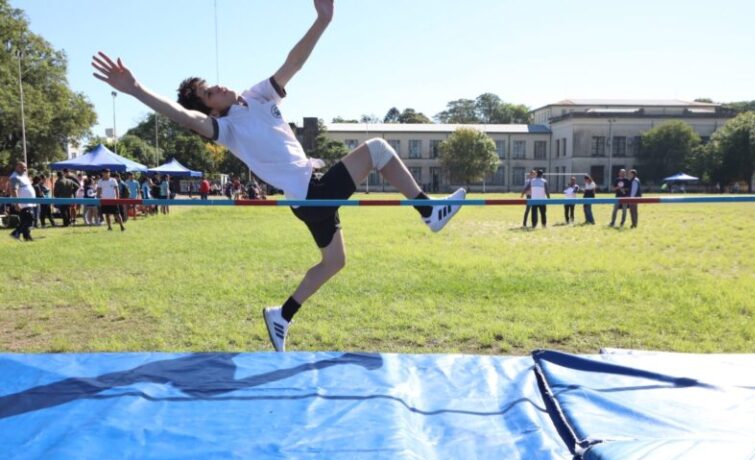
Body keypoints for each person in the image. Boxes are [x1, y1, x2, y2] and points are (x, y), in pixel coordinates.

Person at [92, 0, 465, 352]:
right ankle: (428, 212)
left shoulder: (257, 95)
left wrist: (322, 21)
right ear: (210, 110)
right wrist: (136, 90)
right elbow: (183, 117)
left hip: (307, 196)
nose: (218, 87)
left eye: (212, 84)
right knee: (377, 149)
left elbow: (294, 62)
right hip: (311, 193)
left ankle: (281, 315)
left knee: (334, 263)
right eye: (209, 93)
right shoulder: (226, 129)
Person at [8, 162, 36, 241]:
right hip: (23, 203)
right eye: (23, 167)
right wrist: (17, 203)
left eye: (25, 167)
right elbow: (14, 190)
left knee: (25, 220)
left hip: (29, 202)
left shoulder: (23, 176)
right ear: (17, 167)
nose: (25, 169)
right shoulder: (15, 177)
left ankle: (27, 237)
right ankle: (15, 233)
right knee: (30, 219)